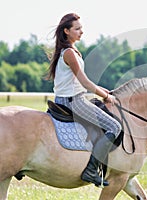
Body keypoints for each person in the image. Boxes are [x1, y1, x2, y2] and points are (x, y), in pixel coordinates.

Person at [46, 13, 122, 187]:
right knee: (115, 126)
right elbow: (85, 82)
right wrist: (107, 97)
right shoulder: (70, 54)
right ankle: (91, 169)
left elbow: (85, 81)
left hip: (72, 98)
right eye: (77, 29)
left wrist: (105, 91)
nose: (82, 32)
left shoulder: (70, 51)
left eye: (81, 28)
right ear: (66, 31)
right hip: (73, 102)